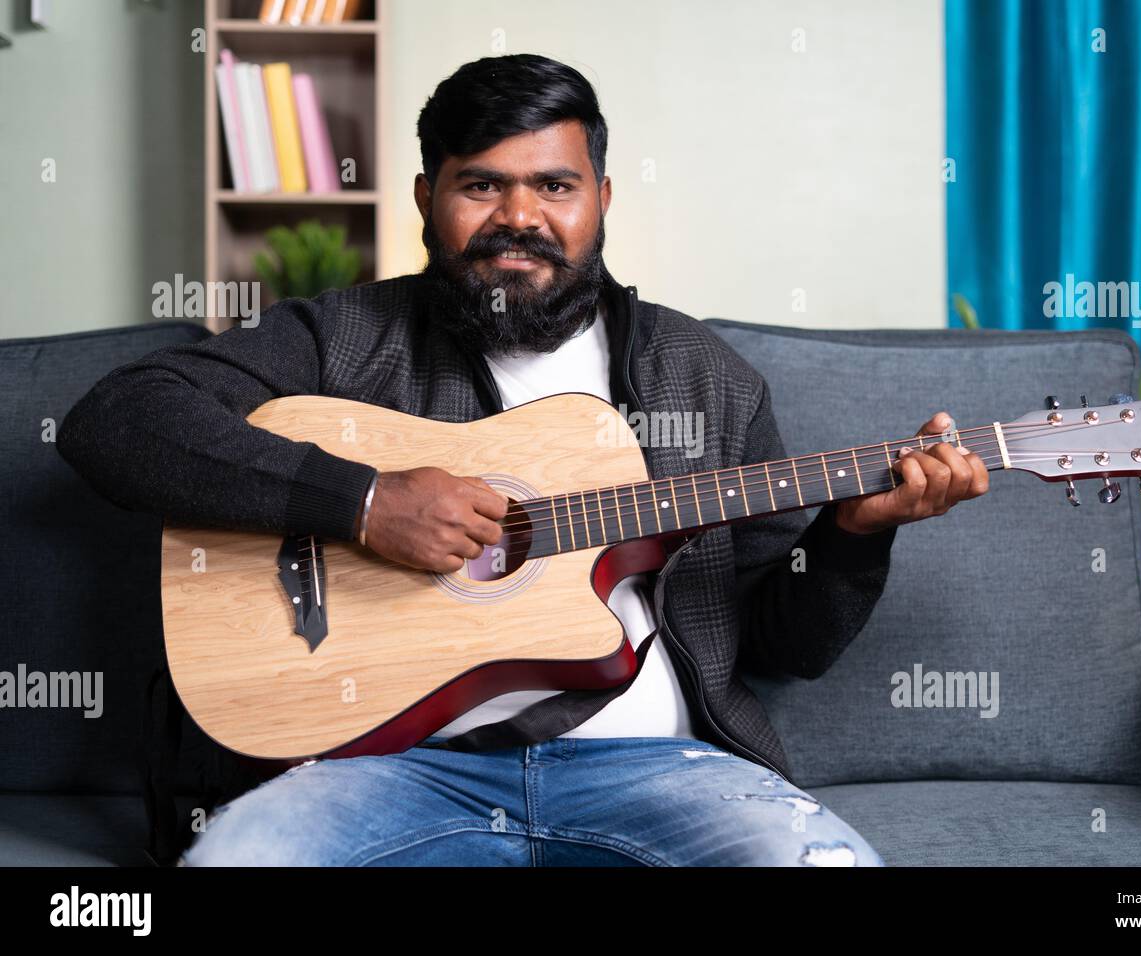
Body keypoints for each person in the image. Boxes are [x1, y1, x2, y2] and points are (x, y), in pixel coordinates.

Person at [56, 54, 988, 867]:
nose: (519, 217)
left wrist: (854, 539)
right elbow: (119, 419)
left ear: (603, 201)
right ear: (426, 198)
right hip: (383, 770)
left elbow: (787, 648)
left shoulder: (705, 376)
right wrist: (365, 501)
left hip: (657, 767)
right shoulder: (343, 337)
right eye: (480, 186)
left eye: (554, 185)